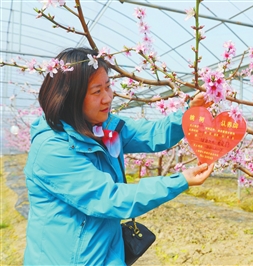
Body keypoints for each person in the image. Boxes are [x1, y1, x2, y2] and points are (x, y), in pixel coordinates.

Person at [23, 47, 214, 265]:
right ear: (70, 98)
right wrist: (180, 181)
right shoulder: (52, 149)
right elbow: (109, 198)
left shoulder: (104, 128)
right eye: (97, 92)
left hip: (106, 252)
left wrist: (189, 112)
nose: (108, 97)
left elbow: (152, 135)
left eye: (108, 87)